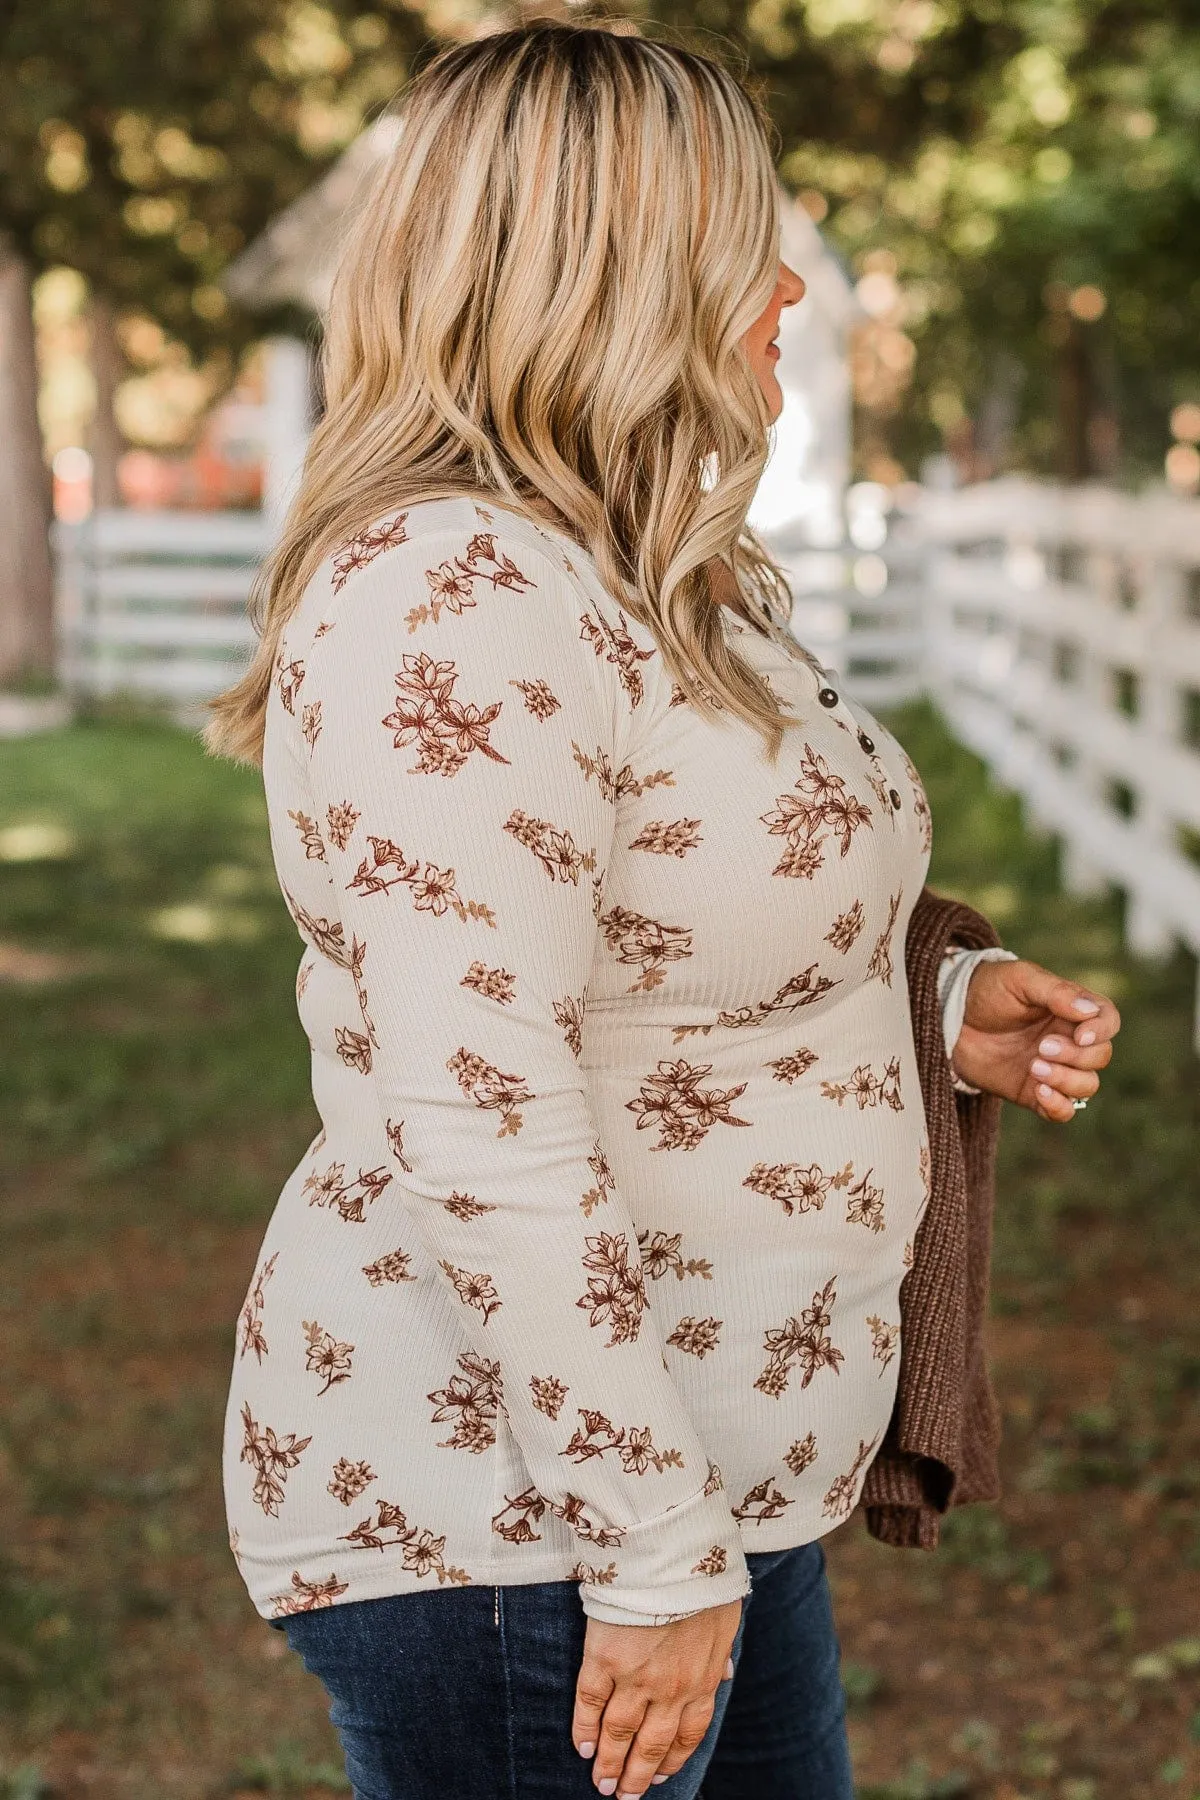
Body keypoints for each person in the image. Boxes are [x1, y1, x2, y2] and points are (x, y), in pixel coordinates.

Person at [205, 22, 1120, 1800]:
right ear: (609, 268)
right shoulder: (448, 591)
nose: (785, 279)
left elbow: (677, 927)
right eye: (737, 235)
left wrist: (940, 1004)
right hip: (532, 1523)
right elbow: (479, 1106)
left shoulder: (662, 574)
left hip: (718, 1478)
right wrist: (649, 1550)